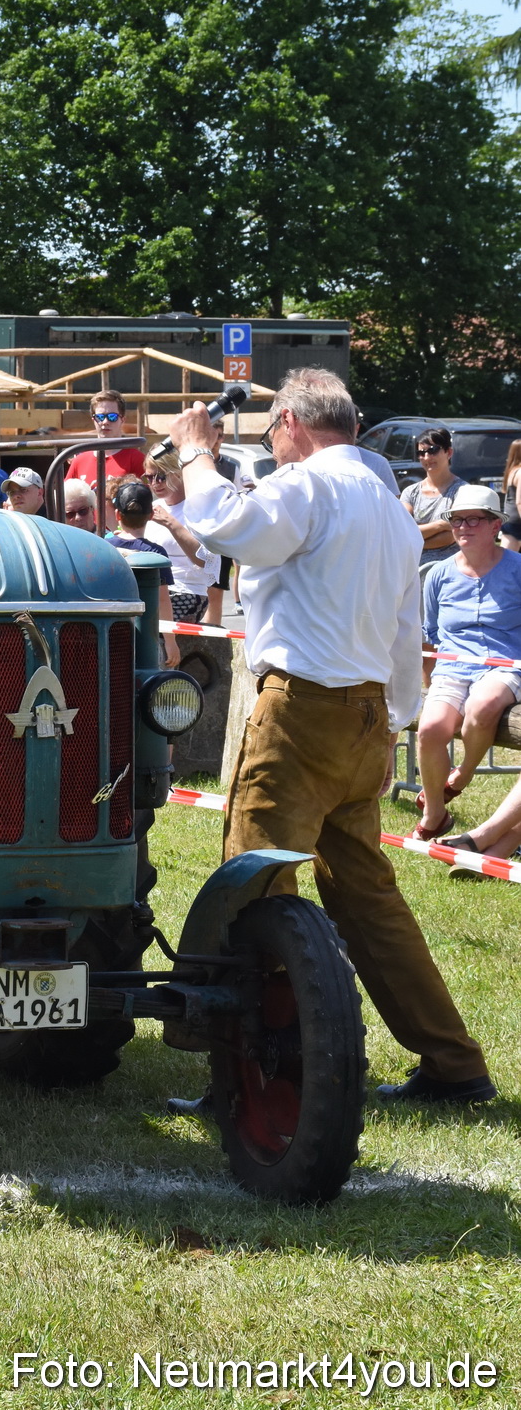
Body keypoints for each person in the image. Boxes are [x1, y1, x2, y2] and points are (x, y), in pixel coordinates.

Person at [167, 366, 494, 1106]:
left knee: (253, 889)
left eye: (275, 433)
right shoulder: (385, 505)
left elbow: (228, 527)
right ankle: (452, 1064)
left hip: (302, 713)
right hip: (362, 714)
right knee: (368, 901)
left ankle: (243, 1078)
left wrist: (194, 450)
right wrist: (389, 729)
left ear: (288, 422)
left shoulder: (307, 484)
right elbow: (405, 630)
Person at [410, 485, 521, 842]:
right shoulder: (438, 574)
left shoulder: (518, 569)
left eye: (474, 519)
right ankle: (435, 815)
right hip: (452, 668)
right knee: (429, 730)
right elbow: (430, 637)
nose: (464, 526)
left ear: (495, 526)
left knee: (483, 704)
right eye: (457, 519)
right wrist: (431, 686)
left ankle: (464, 774)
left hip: (505, 665)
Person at [142, 454, 223, 625]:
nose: (155, 483)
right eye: (149, 477)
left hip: (186, 591)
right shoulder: (154, 506)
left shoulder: (196, 507)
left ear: (178, 473)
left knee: (149, 628)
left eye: (161, 476)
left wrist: (171, 523)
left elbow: (206, 560)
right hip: (153, 589)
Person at [106, 479, 179, 667]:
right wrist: (170, 641)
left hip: (111, 630)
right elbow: (162, 599)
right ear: (150, 515)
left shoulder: (104, 547)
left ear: (117, 515)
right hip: (146, 633)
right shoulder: (155, 553)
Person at [400, 427, 461, 575]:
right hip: (413, 573)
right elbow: (402, 532)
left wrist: (414, 539)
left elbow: (452, 536)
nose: (427, 457)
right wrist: (440, 525)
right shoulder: (410, 492)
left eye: (433, 450)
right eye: (421, 453)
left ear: (449, 452)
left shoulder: (461, 491)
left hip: (451, 572)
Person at [66, 389, 146, 490]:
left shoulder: (136, 459)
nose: (105, 422)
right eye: (100, 417)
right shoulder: (79, 461)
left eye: (112, 417)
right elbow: (66, 497)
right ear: (93, 420)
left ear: (122, 420)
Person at [499, 437, 521, 552]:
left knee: (507, 557)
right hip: (517, 519)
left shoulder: (512, 470)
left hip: (510, 517)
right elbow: (519, 501)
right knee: (508, 558)